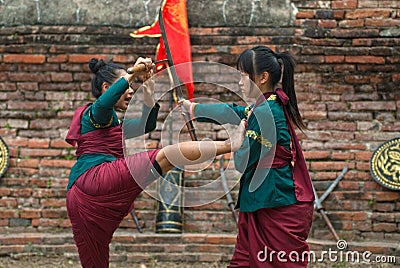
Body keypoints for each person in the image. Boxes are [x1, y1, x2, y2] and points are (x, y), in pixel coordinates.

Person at [65, 57, 246, 268]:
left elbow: (146, 124)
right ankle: (229, 144)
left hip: (82, 200)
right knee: (168, 155)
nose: (131, 91)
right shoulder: (94, 114)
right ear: (107, 87)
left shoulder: (115, 125)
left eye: (132, 86)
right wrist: (132, 73)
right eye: (127, 85)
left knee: (96, 261)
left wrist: (149, 89)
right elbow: (104, 103)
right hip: (92, 180)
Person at [180, 45, 314, 267]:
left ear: (262, 77)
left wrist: (238, 140)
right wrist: (193, 109)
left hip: (276, 205)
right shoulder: (266, 105)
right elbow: (231, 111)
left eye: (243, 76)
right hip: (265, 201)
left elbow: (243, 161)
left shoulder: (264, 112)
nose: (239, 82)